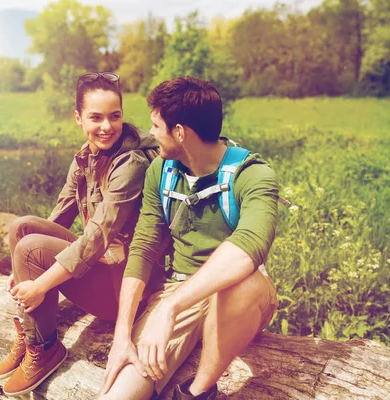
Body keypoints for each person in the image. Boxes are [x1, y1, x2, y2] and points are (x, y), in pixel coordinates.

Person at [100, 76, 279, 400]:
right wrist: (122, 335)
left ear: (180, 133)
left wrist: (171, 308)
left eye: (156, 125)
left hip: (238, 295)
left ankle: (198, 393)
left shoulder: (252, 174)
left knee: (242, 283)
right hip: (178, 291)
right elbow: (143, 247)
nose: (150, 133)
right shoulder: (160, 171)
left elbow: (248, 248)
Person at [0, 72, 159, 397]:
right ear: (78, 118)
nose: (106, 126)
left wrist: (39, 282)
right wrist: (20, 265)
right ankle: (32, 333)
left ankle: (44, 348)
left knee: (30, 249)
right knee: (22, 228)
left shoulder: (131, 163)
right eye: (95, 117)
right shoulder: (86, 156)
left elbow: (99, 235)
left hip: (127, 289)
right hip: (104, 265)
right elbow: (60, 214)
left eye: (115, 116)